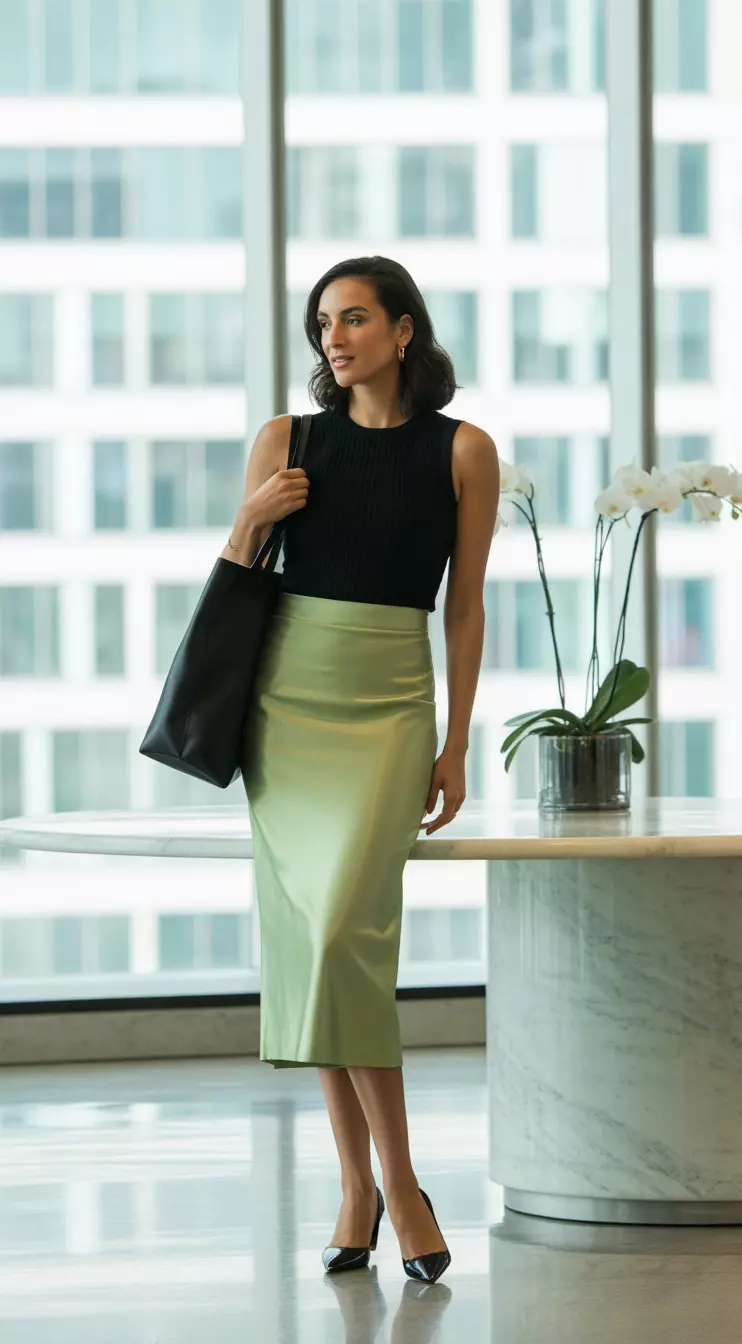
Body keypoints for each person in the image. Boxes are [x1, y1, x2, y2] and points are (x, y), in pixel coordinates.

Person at [220, 255, 499, 1284]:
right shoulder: (286, 441)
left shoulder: (463, 450)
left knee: (344, 929)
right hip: (284, 705)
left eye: (353, 319)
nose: (333, 339)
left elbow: (465, 604)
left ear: (404, 331)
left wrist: (456, 739)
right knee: (314, 942)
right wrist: (255, 516)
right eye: (322, 325)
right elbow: (239, 570)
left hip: (389, 702)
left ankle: (395, 1180)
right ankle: (366, 1184)